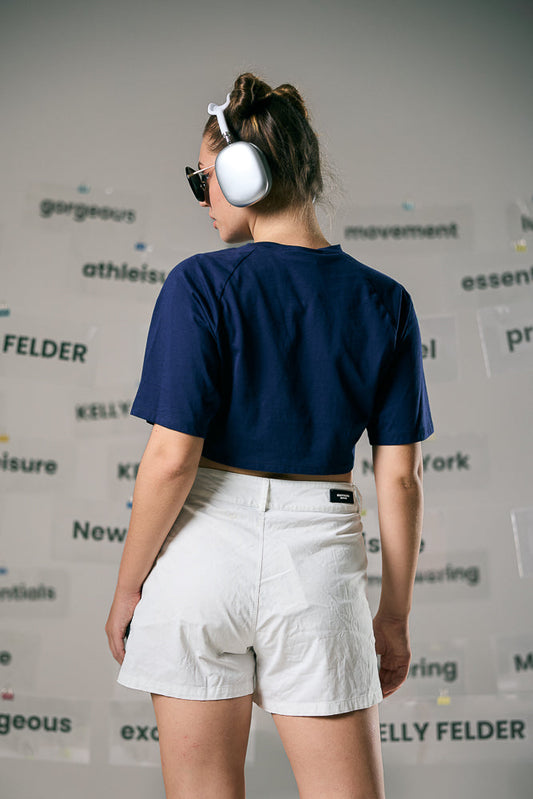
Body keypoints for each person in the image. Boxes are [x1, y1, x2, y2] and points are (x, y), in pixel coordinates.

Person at [105, 72, 434, 799]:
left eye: (203, 178)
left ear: (241, 174)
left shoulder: (199, 285)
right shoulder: (384, 301)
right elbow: (400, 477)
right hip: (316, 558)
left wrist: (129, 587)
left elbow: (171, 460)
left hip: (198, 554)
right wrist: (394, 616)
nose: (202, 198)